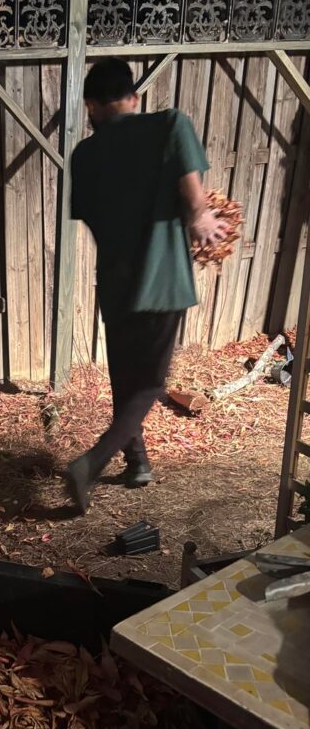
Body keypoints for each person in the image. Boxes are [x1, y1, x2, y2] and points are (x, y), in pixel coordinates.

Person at [65, 57, 228, 515]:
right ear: (134, 98)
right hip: (163, 278)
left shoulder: (84, 154)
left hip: (115, 280)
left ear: (91, 106)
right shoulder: (169, 124)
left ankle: (137, 462)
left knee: (125, 375)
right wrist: (199, 213)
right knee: (151, 383)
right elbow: (194, 199)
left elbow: (92, 219)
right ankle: (92, 462)